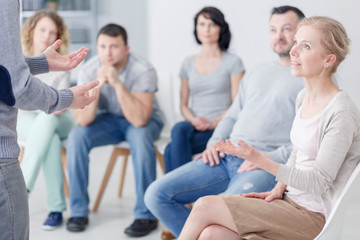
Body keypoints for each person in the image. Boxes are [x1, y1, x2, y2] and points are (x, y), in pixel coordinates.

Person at [178, 16, 360, 240]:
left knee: (205, 205)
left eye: (306, 46)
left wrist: (261, 161)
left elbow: (319, 183)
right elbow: (298, 152)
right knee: (212, 234)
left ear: (328, 60)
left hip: (314, 217)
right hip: (290, 202)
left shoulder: (341, 112)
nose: (293, 52)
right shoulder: (304, 97)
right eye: (296, 42)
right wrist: (279, 188)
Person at [145, 5, 306, 238]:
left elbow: (309, 140)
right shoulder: (257, 71)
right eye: (273, 29)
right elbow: (232, 114)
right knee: (156, 195)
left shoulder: (308, 79)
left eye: (286, 29)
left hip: (260, 164)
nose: (279, 36)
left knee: (217, 215)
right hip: (224, 156)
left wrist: (270, 159)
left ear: (302, 32)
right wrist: (214, 142)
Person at [0, 1, 99, 239]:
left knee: (49, 130)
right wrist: (66, 99)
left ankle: (53, 205)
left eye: (52, 31)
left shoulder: (54, 60)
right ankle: (47, 199)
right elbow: (14, 86)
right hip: (7, 150)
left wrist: (41, 63)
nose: (47, 35)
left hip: (46, 121)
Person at [65, 23, 164, 237]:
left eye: (114, 47)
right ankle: (79, 211)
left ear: (126, 48)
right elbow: (83, 120)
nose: (107, 53)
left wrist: (117, 83)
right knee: (77, 137)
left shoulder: (143, 70)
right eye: (102, 46)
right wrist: (99, 84)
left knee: (139, 136)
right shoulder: (88, 70)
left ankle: (145, 215)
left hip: (145, 119)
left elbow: (139, 119)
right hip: (110, 121)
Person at [164, 6, 245, 173]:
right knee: (179, 128)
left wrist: (212, 123)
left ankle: (177, 189)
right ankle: (183, 188)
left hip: (220, 128)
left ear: (221, 28)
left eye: (211, 24)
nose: (206, 29)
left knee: (170, 150)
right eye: (201, 24)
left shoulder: (233, 62)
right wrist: (194, 120)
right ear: (196, 28)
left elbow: (238, 104)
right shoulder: (187, 63)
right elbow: (183, 105)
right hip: (193, 126)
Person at [17, 10, 74, 230]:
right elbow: (18, 101)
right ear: (31, 30)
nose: (47, 36)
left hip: (61, 120)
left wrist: (46, 104)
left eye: (53, 32)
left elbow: (61, 105)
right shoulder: (20, 60)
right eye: (43, 30)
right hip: (26, 121)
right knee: (49, 137)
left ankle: (24, 188)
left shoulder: (62, 61)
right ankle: (56, 209)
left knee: (48, 120)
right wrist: (49, 102)